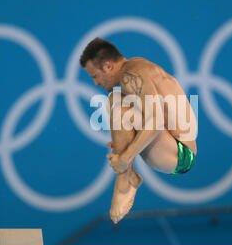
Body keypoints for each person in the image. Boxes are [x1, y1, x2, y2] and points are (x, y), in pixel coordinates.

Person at [79, 38, 198, 224]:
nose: (95, 83)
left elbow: (156, 121)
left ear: (108, 66)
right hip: (169, 144)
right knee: (116, 100)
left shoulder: (131, 77)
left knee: (120, 107)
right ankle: (129, 175)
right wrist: (124, 140)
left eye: (95, 75)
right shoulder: (136, 66)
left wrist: (124, 158)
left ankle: (125, 181)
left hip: (181, 155)